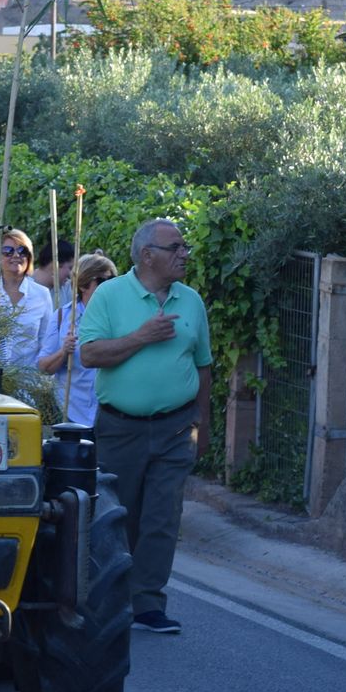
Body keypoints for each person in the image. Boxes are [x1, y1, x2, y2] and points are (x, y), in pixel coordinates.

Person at [78, 218, 212, 637]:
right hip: (121, 428)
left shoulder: (191, 301)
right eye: (175, 248)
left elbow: (203, 366)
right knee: (119, 516)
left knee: (162, 517)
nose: (184, 254)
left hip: (176, 427)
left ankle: (148, 603)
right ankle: (109, 596)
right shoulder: (110, 296)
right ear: (147, 254)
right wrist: (141, 337)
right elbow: (90, 355)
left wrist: (201, 423)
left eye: (184, 247)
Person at [36, 253, 117, 426]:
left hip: (111, 412)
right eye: (102, 282)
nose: (109, 287)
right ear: (83, 285)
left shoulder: (120, 318)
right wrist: (63, 352)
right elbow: (44, 367)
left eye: (113, 281)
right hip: (70, 411)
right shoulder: (62, 317)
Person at [0, 229, 54, 369]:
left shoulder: (42, 294)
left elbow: (45, 342)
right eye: (8, 251)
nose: (16, 255)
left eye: (22, 251)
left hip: (28, 382)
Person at [30, 238, 76, 308]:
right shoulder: (25, 288)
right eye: (70, 268)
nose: (71, 274)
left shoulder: (67, 288)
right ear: (55, 265)